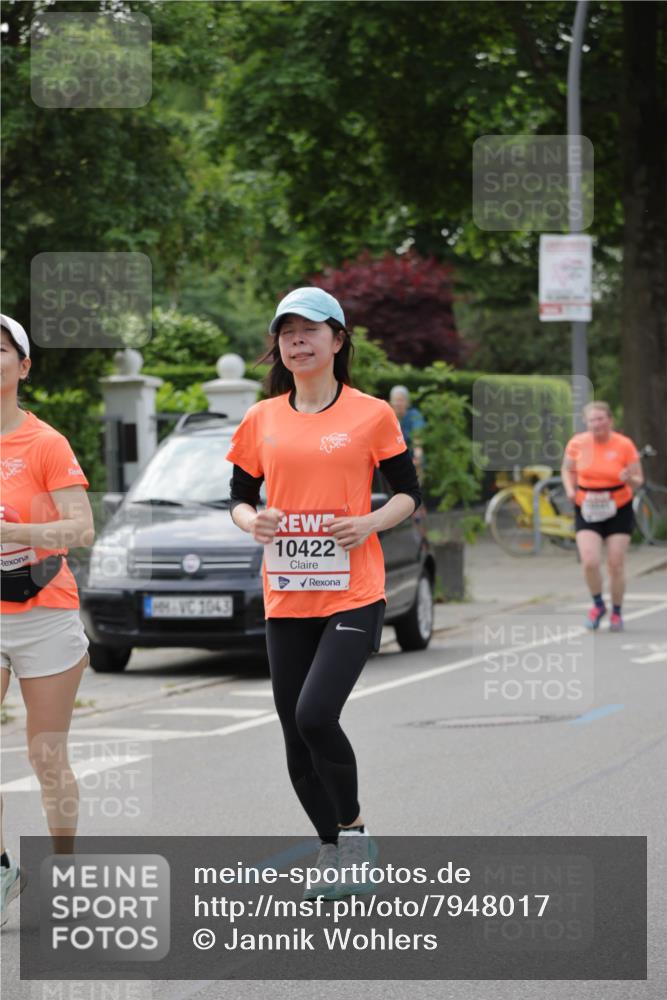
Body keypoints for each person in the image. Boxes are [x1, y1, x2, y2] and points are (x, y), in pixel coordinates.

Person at [226, 288, 422, 900]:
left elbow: (409, 493)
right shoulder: (262, 418)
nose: (296, 341)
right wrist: (251, 521)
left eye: (309, 329)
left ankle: (355, 834)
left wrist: (369, 523)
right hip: (287, 594)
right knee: (294, 735)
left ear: (338, 340)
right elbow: (239, 497)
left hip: (352, 591)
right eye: (286, 332)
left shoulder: (371, 414)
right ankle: (333, 848)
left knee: (315, 715)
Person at [0, 315, 95, 927]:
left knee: (46, 754)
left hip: (44, 614)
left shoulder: (45, 444)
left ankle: (64, 872)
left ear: (24, 365)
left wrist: (17, 533)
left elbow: (81, 528)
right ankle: (1, 871)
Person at [561, 401, 643, 632]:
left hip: (618, 506)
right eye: (592, 420)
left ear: (610, 421)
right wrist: (569, 489)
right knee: (589, 561)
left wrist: (629, 478)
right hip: (587, 506)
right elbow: (567, 468)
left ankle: (616, 611)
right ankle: (598, 604)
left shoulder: (624, 444)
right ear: (585, 423)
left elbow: (639, 480)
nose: (596, 424)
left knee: (615, 563)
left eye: (600, 419)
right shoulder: (577, 443)